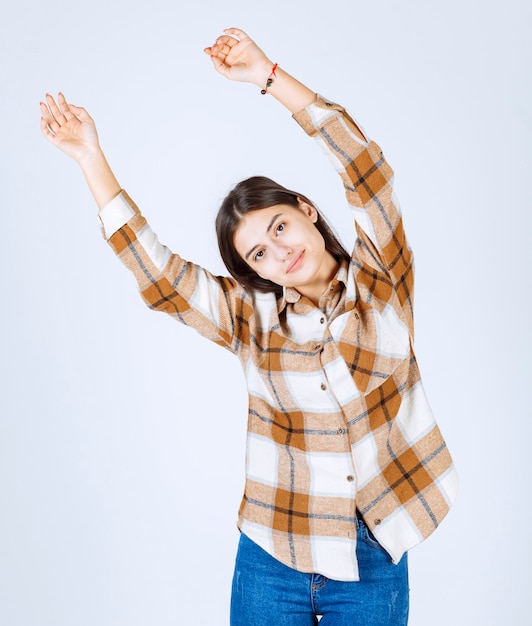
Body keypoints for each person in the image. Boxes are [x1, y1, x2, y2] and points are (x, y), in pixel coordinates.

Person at [40, 27, 458, 626]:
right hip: (271, 555)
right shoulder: (251, 317)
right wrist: (90, 156)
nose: (278, 252)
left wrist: (268, 77)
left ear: (306, 212)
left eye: (280, 227)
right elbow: (161, 277)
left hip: (374, 554)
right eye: (258, 254)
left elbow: (364, 166)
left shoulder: (382, 280)